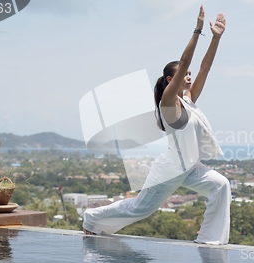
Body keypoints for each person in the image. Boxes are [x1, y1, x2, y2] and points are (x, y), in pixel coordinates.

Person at [83, 5, 230, 245]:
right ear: (171, 80)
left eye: (190, 74)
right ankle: (91, 218)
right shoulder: (168, 104)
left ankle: (209, 239)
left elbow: (205, 68)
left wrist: (216, 38)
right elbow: (184, 62)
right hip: (170, 170)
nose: (189, 75)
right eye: (185, 74)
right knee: (140, 209)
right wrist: (197, 31)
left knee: (221, 185)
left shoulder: (188, 99)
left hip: (190, 167)